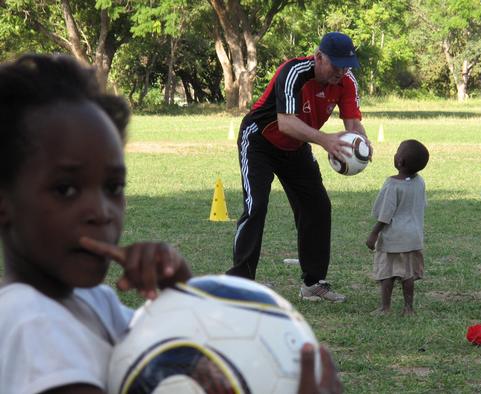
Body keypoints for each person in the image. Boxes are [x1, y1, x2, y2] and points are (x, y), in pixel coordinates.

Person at [0, 54, 340, 394]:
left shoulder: (94, 303)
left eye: (113, 187)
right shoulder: (29, 323)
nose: (100, 211)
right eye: (66, 189)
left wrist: (180, 299)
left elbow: (170, 358)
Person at [228, 32, 371, 303]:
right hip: (260, 140)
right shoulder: (293, 71)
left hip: (296, 147)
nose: (341, 71)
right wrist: (326, 140)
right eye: (336, 64)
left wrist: (360, 144)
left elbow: (352, 123)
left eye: (347, 65)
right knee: (255, 206)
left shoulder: (346, 80)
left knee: (317, 206)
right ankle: (240, 284)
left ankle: (313, 283)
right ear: (318, 57)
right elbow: (286, 123)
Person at [366, 140, 429, 316]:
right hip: (413, 237)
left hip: (393, 238)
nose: (395, 154)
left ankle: (385, 308)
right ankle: (408, 308)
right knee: (407, 275)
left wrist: (373, 234)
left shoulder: (392, 184)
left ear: (399, 161)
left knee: (387, 273)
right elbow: (422, 205)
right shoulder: (419, 182)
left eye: (397, 152)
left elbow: (385, 214)